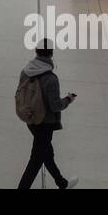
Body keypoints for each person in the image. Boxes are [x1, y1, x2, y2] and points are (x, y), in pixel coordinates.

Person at [17, 40, 78, 190]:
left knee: (46, 153)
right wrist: (68, 99)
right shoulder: (51, 79)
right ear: (51, 53)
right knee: (36, 160)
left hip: (31, 120)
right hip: (46, 124)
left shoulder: (25, 71)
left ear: (36, 52)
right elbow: (55, 105)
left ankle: (62, 183)